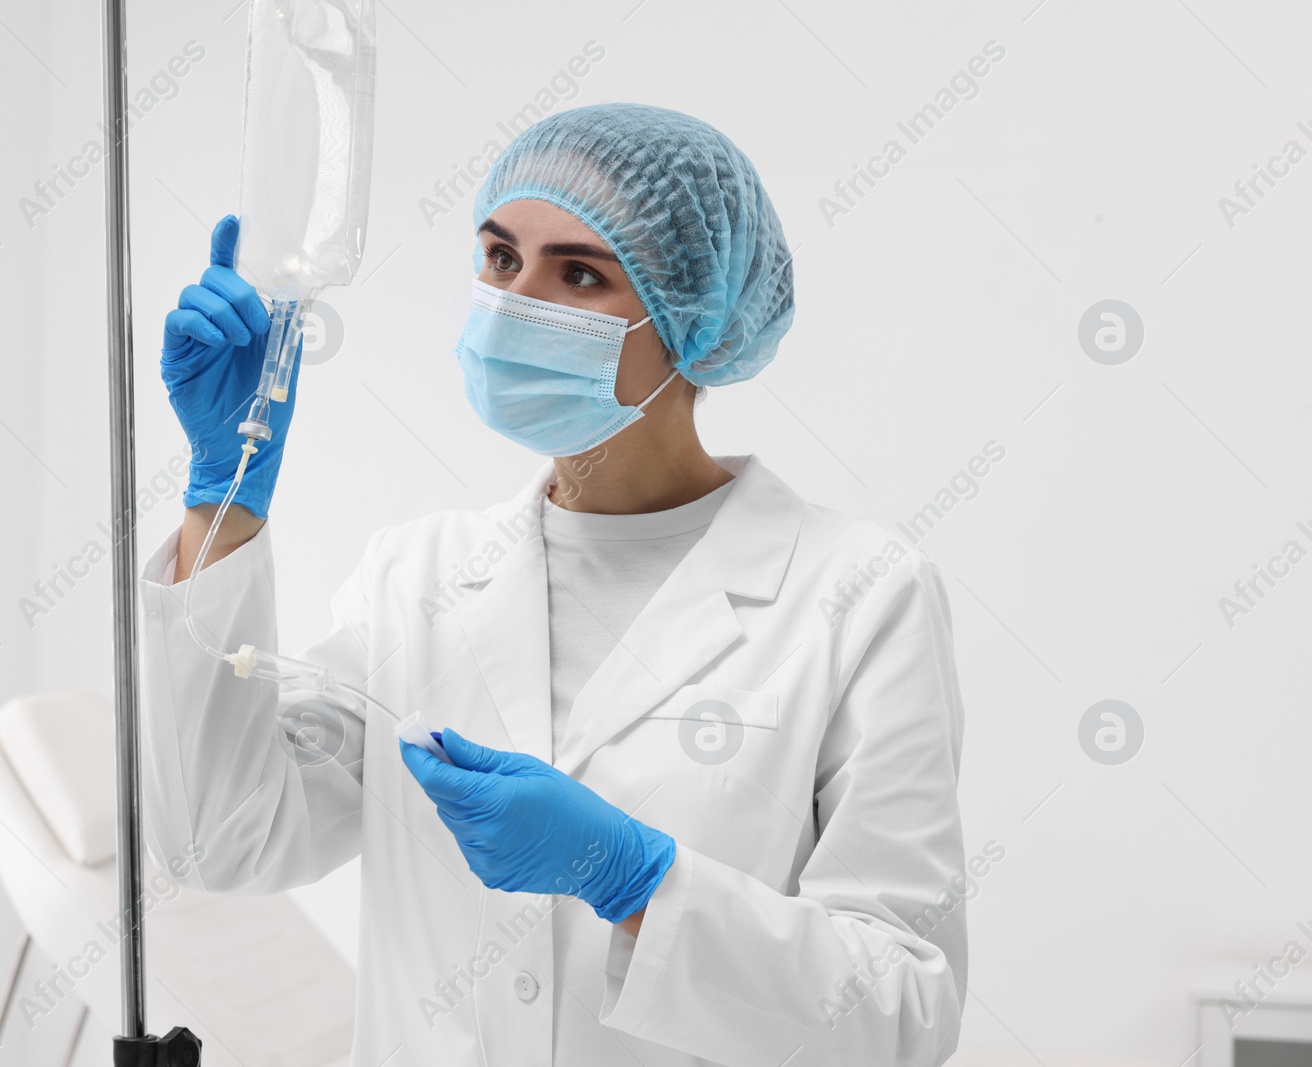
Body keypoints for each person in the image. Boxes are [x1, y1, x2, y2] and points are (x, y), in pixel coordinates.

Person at [141, 102, 968, 1066]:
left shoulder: (863, 594)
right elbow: (219, 842)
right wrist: (221, 492)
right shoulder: (419, 575)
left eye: (578, 273)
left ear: (694, 322)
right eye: (499, 259)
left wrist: (634, 878)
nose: (514, 302)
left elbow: (902, 1009)